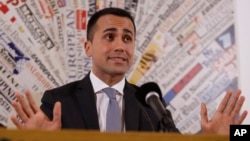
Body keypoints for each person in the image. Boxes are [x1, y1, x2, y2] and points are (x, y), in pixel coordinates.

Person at [11, 7, 248, 134]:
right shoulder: (59, 101)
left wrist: (215, 139)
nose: (120, 46)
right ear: (88, 47)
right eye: (109, 36)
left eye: (127, 38)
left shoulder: (151, 104)